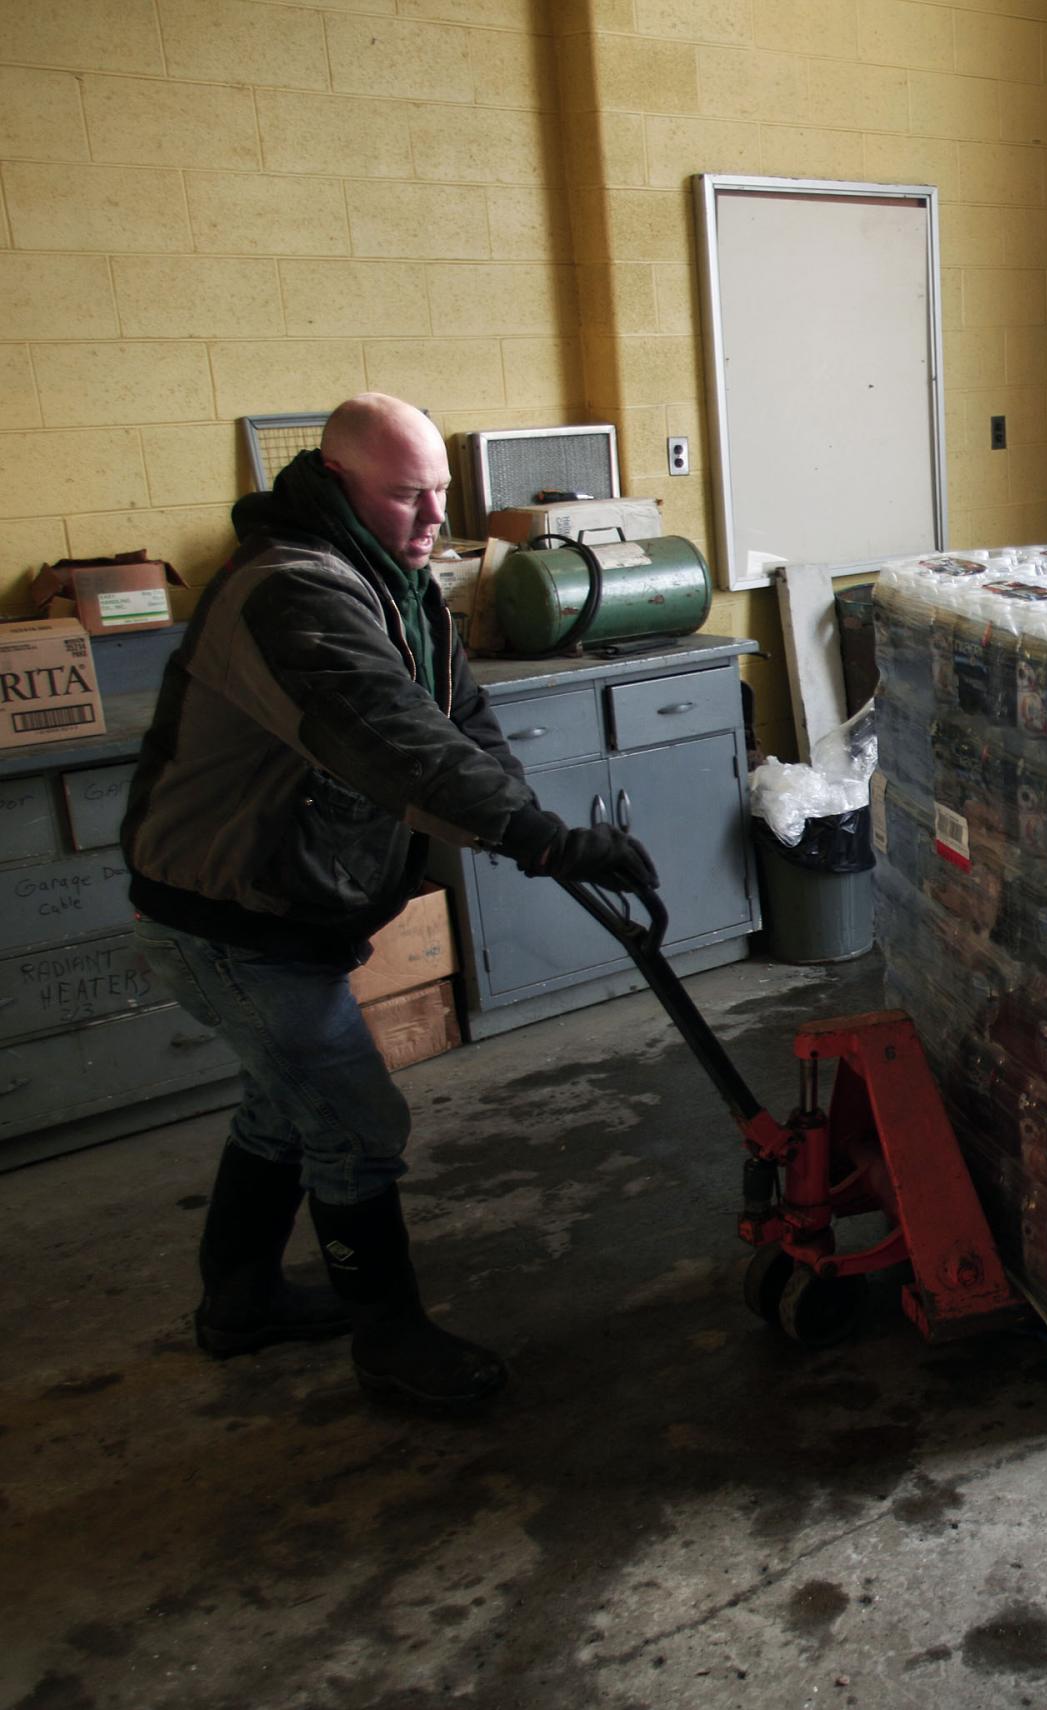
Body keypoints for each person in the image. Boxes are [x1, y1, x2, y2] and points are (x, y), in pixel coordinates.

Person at [123, 393, 659, 1410]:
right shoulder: (291, 594)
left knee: (285, 1105)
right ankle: (390, 1341)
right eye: (406, 497)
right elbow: (388, 741)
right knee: (356, 1121)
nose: (430, 521)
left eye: (442, 495)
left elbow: (457, 720)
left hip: (284, 906)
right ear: (334, 486)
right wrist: (539, 837)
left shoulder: (399, 582)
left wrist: (532, 828)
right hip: (225, 919)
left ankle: (238, 1307)